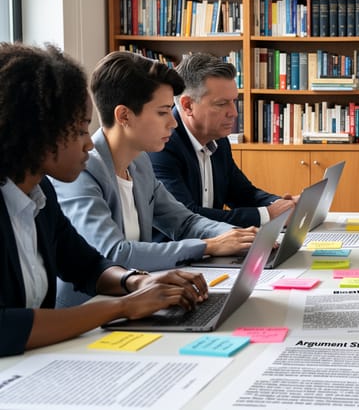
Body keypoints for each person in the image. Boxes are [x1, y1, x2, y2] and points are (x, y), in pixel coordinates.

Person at [0, 43, 208, 356]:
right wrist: (124, 306)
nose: (88, 144)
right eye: (80, 129)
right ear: (37, 131)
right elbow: (5, 327)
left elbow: (88, 265)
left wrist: (135, 282)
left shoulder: (41, 197)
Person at [52, 51, 257, 307]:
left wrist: (240, 237)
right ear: (124, 116)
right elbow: (114, 253)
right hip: (90, 313)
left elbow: (184, 221)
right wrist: (208, 246)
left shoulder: (139, 162)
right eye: (162, 112)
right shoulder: (81, 171)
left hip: (139, 301)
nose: (173, 122)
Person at [149, 53, 295, 229]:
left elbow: (242, 194)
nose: (234, 112)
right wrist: (267, 215)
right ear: (188, 105)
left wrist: (283, 205)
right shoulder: (161, 144)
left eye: (234, 101)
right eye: (221, 104)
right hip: (180, 253)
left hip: (217, 247)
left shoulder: (219, 139)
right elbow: (186, 215)